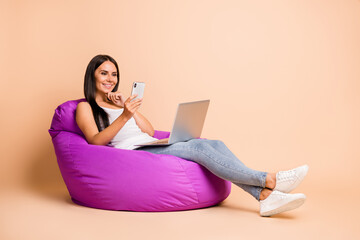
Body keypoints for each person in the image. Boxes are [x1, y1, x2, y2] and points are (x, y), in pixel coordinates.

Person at [76, 54, 309, 217]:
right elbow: (95, 141)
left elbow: (148, 130)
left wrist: (129, 107)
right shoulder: (84, 107)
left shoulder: (119, 104)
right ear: (92, 76)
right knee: (197, 149)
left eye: (114, 74)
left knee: (214, 143)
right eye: (104, 73)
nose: (110, 79)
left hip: (148, 142)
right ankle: (269, 180)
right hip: (134, 152)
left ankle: (265, 197)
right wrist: (124, 116)